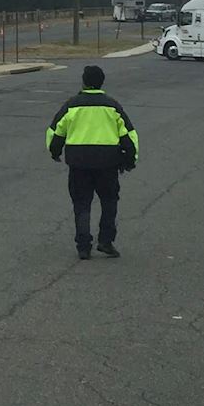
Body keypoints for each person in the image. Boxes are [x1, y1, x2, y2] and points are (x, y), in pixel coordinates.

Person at [46, 64, 138, 260]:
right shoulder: (112, 106)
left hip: (79, 163)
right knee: (109, 201)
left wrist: (55, 151)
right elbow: (129, 135)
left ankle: (83, 246)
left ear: (84, 82)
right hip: (108, 163)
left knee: (81, 203)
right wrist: (130, 159)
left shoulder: (72, 105)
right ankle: (106, 241)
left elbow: (55, 131)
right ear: (101, 82)